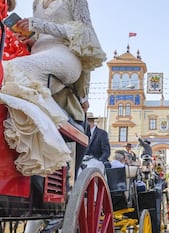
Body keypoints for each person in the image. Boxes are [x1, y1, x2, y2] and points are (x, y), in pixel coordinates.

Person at [0, 0, 105, 176]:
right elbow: (40, 37)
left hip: (64, 56)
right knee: (7, 70)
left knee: (11, 70)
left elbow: (86, 33)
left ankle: (47, 150)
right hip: (38, 52)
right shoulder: (37, 3)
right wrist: (30, 38)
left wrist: (40, 25)